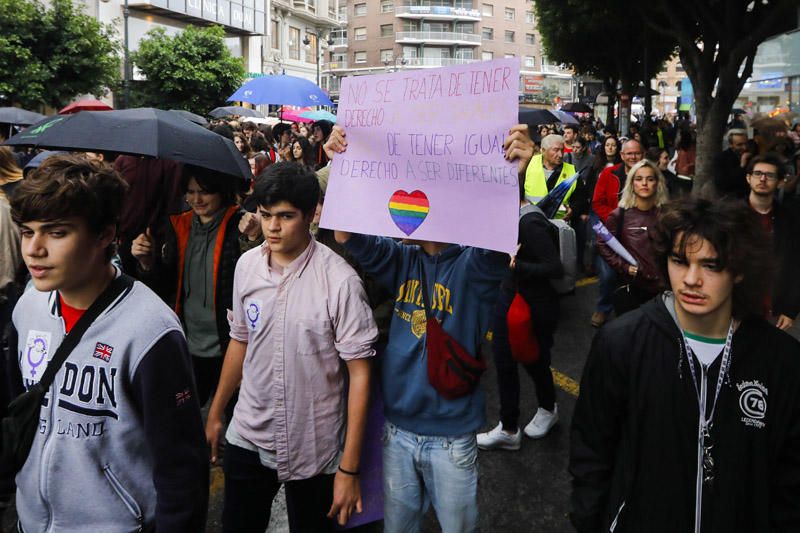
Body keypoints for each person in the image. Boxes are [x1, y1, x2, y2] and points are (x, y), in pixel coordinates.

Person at [326, 124, 523, 533]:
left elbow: (494, 243)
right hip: (396, 433)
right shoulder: (403, 259)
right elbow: (346, 233)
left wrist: (512, 174)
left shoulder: (473, 268)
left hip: (451, 441)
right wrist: (342, 164)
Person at [570, 198, 800, 532]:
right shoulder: (621, 343)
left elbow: (790, 475)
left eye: (711, 265)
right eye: (680, 261)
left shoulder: (780, 360)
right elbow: (592, 448)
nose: (691, 279)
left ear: (739, 271)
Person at [6, 154, 208, 531]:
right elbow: (17, 408)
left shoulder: (150, 331)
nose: (34, 248)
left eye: (57, 232)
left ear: (104, 235)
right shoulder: (28, 306)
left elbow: (181, 470)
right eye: (28, 231)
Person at [204, 162, 378, 533]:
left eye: (285, 216)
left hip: (314, 443)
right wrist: (217, 412)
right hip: (249, 432)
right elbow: (240, 341)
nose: (272, 227)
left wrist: (349, 468)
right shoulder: (247, 267)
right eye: (266, 215)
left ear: (312, 214)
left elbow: (360, 374)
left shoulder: (341, 282)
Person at [132, 165, 244, 409]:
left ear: (221, 191)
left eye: (204, 192)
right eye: (190, 191)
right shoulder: (178, 225)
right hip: (188, 341)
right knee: (185, 413)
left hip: (230, 345)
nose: (196, 199)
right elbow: (166, 285)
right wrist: (146, 262)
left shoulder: (240, 225)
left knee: (230, 414)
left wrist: (251, 238)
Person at [477, 176, 564, 451]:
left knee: (535, 360)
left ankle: (548, 409)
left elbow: (555, 268)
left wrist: (518, 267)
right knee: (503, 358)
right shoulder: (510, 216)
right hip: (510, 297)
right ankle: (508, 428)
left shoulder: (529, 222)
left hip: (535, 305)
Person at [597, 160, 668, 316]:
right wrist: (624, 267)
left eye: (650, 179)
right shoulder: (619, 215)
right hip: (633, 288)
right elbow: (603, 243)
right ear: (631, 183)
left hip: (663, 289)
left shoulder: (667, 215)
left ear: (657, 183)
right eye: (639, 179)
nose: (644, 183)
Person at [590, 139, 644, 326]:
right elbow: (597, 203)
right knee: (607, 275)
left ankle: (634, 312)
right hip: (610, 233)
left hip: (638, 234)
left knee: (637, 273)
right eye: (629, 153)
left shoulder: (647, 175)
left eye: (636, 153)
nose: (632, 157)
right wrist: (614, 220)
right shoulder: (608, 174)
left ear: (642, 155)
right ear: (622, 155)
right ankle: (603, 309)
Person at [744, 153, 800, 330]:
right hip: (738, 307)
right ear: (748, 178)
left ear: (779, 181)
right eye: (757, 173)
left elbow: (796, 264)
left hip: (776, 310)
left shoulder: (790, 219)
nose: (762, 179)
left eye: (769, 175)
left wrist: (791, 309)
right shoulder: (731, 216)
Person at [524, 134, 577, 219]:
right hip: (531, 220)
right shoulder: (528, 164)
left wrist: (573, 209)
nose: (560, 155)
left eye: (562, 150)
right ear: (543, 150)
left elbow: (580, 198)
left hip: (558, 223)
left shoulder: (571, 171)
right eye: (556, 150)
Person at [713, 129, 751, 199]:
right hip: (731, 199)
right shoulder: (721, 158)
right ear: (731, 145)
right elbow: (722, 184)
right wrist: (741, 166)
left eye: (746, 143)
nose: (744, 147)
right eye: (739, 145)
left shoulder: (751, 156)